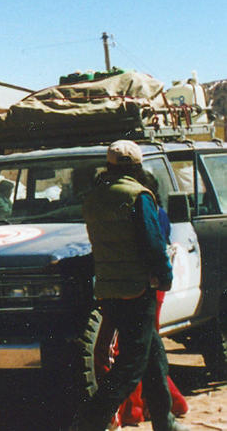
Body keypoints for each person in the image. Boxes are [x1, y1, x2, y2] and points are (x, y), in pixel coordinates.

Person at [73, 140, 190, 431]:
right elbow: (153, 244)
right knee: (132, 366)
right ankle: (87, 423)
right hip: (139, 289)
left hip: (110, 290)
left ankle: (165, 421)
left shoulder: (95, 197)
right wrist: (165, 276)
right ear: (137, 167)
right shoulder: (139, 196)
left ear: (109, 165)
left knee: (154, 357)